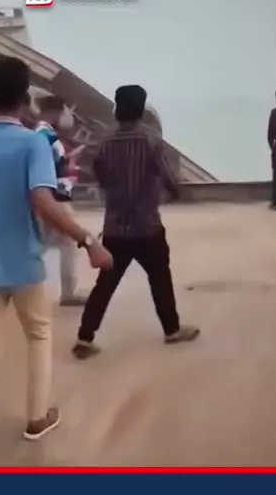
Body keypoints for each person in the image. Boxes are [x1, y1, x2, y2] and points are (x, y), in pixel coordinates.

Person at [0, 57, 112, 467]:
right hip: (23, 260)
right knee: (38, 334)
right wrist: (87, 240)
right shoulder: (32, 143)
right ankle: (37, 418)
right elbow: (42, 199)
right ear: (25, 99)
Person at [72, 84, 199, 360]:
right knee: (159, 278)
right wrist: (172, 194)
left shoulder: (104, 142)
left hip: (115, 227)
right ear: (141, 109)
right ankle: (172, 329)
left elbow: (101, 177)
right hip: (147, 226)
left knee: (105, 283)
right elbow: (168, 178)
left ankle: (85, 336)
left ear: (117, 110)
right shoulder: (151, 140)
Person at [36, 95, 87, 306]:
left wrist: (69, 158)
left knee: (43, 243)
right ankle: (68, 293)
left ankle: (11, 285)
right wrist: (71, 161)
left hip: (47, 196)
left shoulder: (40, 134)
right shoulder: (48, 137)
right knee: (66, 243)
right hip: (56, 197)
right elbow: (54, 169)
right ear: (56, 112)